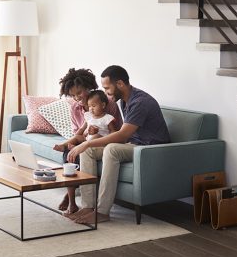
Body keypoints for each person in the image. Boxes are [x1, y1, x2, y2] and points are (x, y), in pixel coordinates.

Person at [66, 65, 171, 224]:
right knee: (87, 152)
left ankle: (102, 212)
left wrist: (86, 144)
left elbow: (122, 135)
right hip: (134, 144)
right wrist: (88, 144)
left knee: (111, 149)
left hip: (151, 149)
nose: (106, 92)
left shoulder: (140, 102)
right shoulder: (124, 101)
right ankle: (88, 206)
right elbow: (124, 136)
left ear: (120, 84)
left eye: (107, 88)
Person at [56, 68, 122, 214]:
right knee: (69, 153)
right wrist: (77, 140)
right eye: (73, 95)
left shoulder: (107, 102)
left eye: (79, 93)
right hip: (85, 139)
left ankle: (70, 196)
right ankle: (72, 202)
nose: (77, 98)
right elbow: (77, 132)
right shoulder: (75, 107)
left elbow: (116, 130)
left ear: (88, 87)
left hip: (104, 140)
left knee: (81, 151)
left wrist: (94, 134)